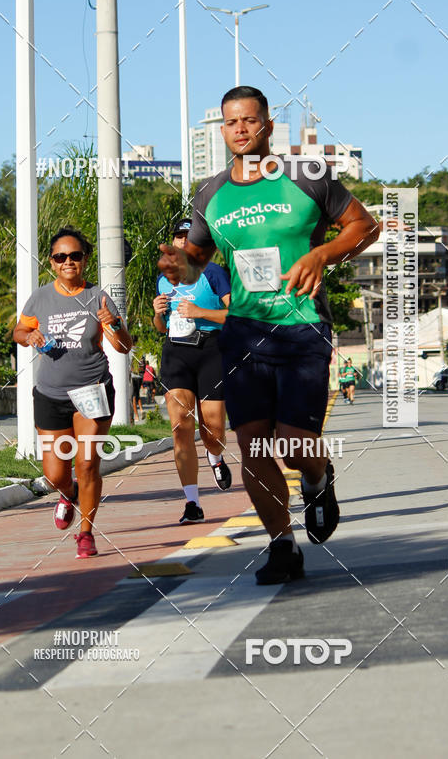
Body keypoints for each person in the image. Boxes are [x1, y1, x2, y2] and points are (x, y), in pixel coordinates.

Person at [158, 86, 379, 581]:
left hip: (301, 327)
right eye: (231, 122)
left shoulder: (308, 176)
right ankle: (282, 545)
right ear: (222, 130)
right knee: (253, 444)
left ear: (268, 126)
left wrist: (321, 255)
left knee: (297, 445)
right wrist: (178, 266)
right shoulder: (210, 194)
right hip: (243, 333)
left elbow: (365, 227)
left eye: (250, 120)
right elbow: (197, 258)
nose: (240, 129)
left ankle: (318, 478)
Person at [13, 226, 132, 559]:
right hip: (51, 395)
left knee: (88, 463)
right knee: (54, 475)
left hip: (92, 390)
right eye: (60, 256)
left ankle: (86, 533)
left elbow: (124, 347)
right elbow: (19, 330)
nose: (68, 261)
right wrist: (29, 336)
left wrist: (115, 324)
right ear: (52, 262)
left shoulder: (98, 297)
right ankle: (68, 494)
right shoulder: (40, 297)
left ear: (85, 259)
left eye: (75, 255)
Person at [153, 218, 232, 524]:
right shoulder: (164, 278)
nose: (183, 241)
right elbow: (161, 327)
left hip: (211, 350)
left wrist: (201, 312)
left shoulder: (213, 272)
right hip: (176, 352)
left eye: (190, 236)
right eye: (179, 236)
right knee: (181, 427)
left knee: (213, 431)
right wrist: (158, 314)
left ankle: (215, 456)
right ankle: (192, 503)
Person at [131, 352, 144, 422]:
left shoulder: (133, 358)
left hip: (134, 377)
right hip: (140, 378)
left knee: (133, 397)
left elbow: (131, 369)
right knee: (137, 394)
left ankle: (136, 416)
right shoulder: (141, 358)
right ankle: (141, 410)